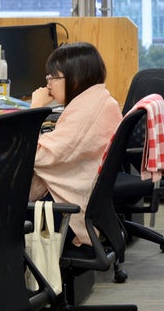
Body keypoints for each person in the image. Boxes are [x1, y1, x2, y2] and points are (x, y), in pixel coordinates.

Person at [29, 41, 123, 247]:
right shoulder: (99, 100)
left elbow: (36, 156)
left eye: (53, 77)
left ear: (77, 78)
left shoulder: (86, 112)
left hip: (68, 214)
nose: (48, 84)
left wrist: (35, 109)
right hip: (85, 204)